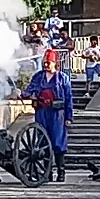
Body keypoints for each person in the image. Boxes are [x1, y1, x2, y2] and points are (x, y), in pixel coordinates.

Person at [21, 49, 74, 182]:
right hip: (42, 111)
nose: (46, 65)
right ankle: (47, 172)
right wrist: (22, 94)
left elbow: (68, 98)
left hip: (57, 113)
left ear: (54, 63)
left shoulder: (63, 78)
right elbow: (30, 90)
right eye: (45, 63)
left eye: (49, 63)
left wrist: (69, 117)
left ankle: (61, 171)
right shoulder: (38, 77)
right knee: (43, 141)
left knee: (57, 142)